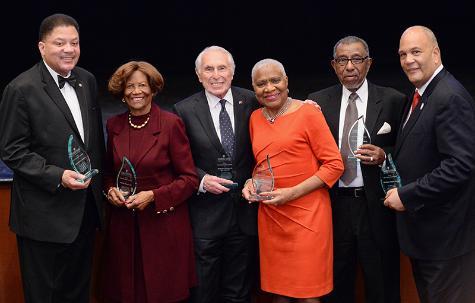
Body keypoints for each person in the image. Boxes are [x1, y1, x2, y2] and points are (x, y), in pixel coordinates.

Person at [0, 13, 104, 303]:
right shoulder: (21, 89)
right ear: (42, 47)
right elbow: (12, 150)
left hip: (84, 212)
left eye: (74, 42)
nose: (68, 49)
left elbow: (93, 142)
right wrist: (57, 176)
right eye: (59, 43)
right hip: (43, 217)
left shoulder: (87, 80)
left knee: (78, 292)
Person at [307, 36, 406, 303]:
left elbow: (409, 150)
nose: (350, 66)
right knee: (336, 286)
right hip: (332, 207)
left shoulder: (393, 100)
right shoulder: (316, 104)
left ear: (369, 63)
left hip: (376, 207)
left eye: (357, 59)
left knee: (382, 285)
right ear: (333, 65)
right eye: (342, 60)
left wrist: (385, 155)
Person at [384, 25, 475, 303]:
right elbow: (421, 148)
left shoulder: (449, 96)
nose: (408, 60)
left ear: (435, 53)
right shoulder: (423, 94)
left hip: (445, 241)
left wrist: (407, 195)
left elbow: (459, 165)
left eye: (416, 52)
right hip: (427, 238)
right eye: (402, 54)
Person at [242, 58, 344, 303]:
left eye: (275, 80)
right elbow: (264, 163)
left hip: (308, 217)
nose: (269, 88)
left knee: (309, 295)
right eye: (261, 83)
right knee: (279, 294)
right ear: (253, 88)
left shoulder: (308, 112)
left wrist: (293, 193)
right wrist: (250, 183)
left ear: (287, 82)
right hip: (271, 217)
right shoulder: (255, 117)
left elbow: (334, 165)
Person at [102, 61, 199, 302]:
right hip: (123, 227)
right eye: (130, 86)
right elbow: (107, 173)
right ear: (122, 92)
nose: (136, 91)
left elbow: (189, 179)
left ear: (153, 89)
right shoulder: (114, 125)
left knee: (162, 293)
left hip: (163, 226)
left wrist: (154, 196)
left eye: (142, 85)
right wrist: (110, 190)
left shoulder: (170, 124)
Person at [173, 46, 259, 303]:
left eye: (222, 68)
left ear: (232, 72)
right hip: (205, 217)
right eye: (208, 69)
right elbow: (180, 159)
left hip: (245, 214)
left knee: (239, 293)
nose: (216, 74)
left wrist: (307, 105)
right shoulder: (183, 109)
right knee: (204, 292)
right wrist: (200, 180)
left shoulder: (253, 101)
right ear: (199, 75)